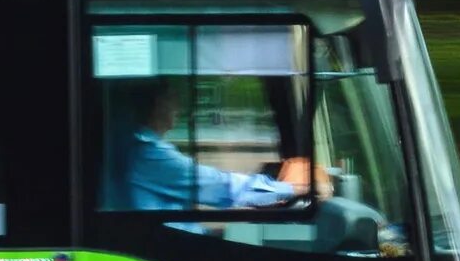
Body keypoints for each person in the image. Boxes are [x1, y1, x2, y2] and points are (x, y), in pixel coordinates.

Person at [106, 82, 311, 213]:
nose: (178, 106)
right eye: (172, 98)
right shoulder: (148, 155)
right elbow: (222, 187)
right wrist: (293, 188)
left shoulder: (140, 149)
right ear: (158, 104)